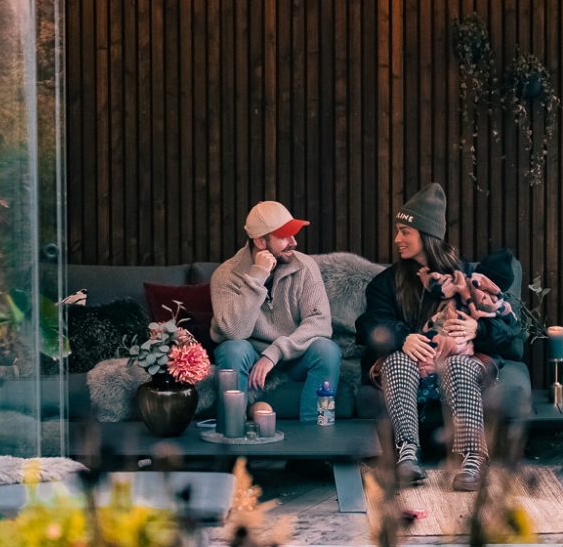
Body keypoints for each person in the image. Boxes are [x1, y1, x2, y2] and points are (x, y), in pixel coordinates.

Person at [356, 183, 522, 491]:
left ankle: (472, 459)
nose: (397, 239)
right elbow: (369, 324)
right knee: (397, 361)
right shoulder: (386, 283)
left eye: (405, 231)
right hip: (411, 372)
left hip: (461, 369)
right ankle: (407, 454)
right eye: (397, 231)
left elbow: (513, 337)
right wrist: (402, 337)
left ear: (427, 234)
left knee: (458, 364)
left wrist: (479, 329)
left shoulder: (468, 279)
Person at [209, 200, 342, 417]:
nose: (294, 242)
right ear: (260, 241)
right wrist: (257, 277)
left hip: (293, 354)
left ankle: (317, 431)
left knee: (328, 351)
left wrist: (273, 354)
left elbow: (319, 322)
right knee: (232, 349)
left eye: (293, 234)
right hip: (249, 354)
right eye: (284, 236)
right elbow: (235, 332)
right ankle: (232, 431)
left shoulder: (305, 266)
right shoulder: (226, 276)